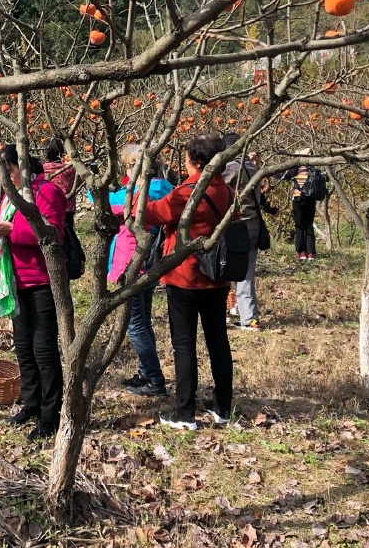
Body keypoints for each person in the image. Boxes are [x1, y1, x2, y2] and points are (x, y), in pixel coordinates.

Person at [143, 134, 235, 428]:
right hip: (217, 276)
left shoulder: (190, 190)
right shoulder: (227, 191)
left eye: (186, 158)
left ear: (196, 161)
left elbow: (153, 213)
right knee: (218, 340)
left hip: (186, 275)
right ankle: (223, 407)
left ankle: (184, 413)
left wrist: (134, 197)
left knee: (184, 344)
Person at [0, 145, 68, 440]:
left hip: (42, 280)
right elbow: (4, 230)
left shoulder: (45, 192)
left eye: (8, 169)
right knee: (22, 345)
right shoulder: (10, 195)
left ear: (21, 166)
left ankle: (51, 413)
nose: (5, 175)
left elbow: (51, 232)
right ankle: (31, 403)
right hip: (15, 280)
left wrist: (9, 230)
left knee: (43, 349)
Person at [109, 146, 173, 397]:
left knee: (134, 326)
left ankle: (154, 379)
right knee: (143, 322)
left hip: (133, 262)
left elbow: (110, 202)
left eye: (127, 167)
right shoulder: (164, 188)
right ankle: (146, 373)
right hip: (149, 262)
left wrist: (98, 192)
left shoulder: (142, 193)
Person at [222, 135, 276, 330]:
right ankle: (249, 317)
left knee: (224, 270)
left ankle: (229, 314)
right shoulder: (253, 167)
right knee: (246, 274)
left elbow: (215, 188)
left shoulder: (230, 168)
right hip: (254, 226)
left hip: (236, 227)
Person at [285, 156, 324, 263]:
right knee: (309, 225)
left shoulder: (297, 168)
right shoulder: (314, 169)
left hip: (299, 199)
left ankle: (301, 252)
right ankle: (311, 253)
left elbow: (283, 175)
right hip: (311, 200)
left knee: (299, 226)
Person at [41, 138, 78, 228]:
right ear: (61, 152)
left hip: (49, 208)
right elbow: (80, 181)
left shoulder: (42, 169)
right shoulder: (71, 169)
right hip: (68, 209)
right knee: (69, 235)